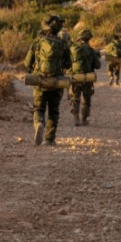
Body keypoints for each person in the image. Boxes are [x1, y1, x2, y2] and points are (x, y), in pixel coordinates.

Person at [24, 15, 73, 146]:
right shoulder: (62, 43)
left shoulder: (37, 41)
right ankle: (50, 139)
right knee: (54, 110)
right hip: (56, 82)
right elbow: (68, 64)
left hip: (40, 81)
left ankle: (39, 122)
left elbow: (27, 63)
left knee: (39, 108)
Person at [68, 29, 101, 126]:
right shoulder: (91, 50)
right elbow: (98, 66)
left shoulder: (72, 49)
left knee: (75, 98)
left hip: (75, 77)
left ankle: (76, 118)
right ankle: (84, 119)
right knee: (86, 99)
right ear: (88, 39)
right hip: (87, 78)